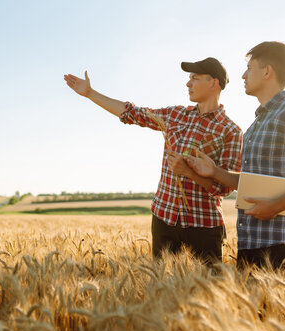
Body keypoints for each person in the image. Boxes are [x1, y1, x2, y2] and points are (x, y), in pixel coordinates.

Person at [64, 58, 242, 263]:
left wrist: (190, 173)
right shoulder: (176, 115)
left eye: (194, 78)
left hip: (203, 226)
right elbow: (132, 113)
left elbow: (225, 188)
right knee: (162, 288)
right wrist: (90, 93)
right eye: (189, 78)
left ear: (214, 83)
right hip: (164, 218)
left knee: (204, 292)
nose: (188, 83)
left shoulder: (231, 131)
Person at [183, 42, 285, 270]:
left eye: (249, 68)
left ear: (267, 71)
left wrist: (276, 205)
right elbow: (253, 183)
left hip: (281, 245)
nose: (243, 75)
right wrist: (215, 172)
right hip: (251, 242)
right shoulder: (257, 124)